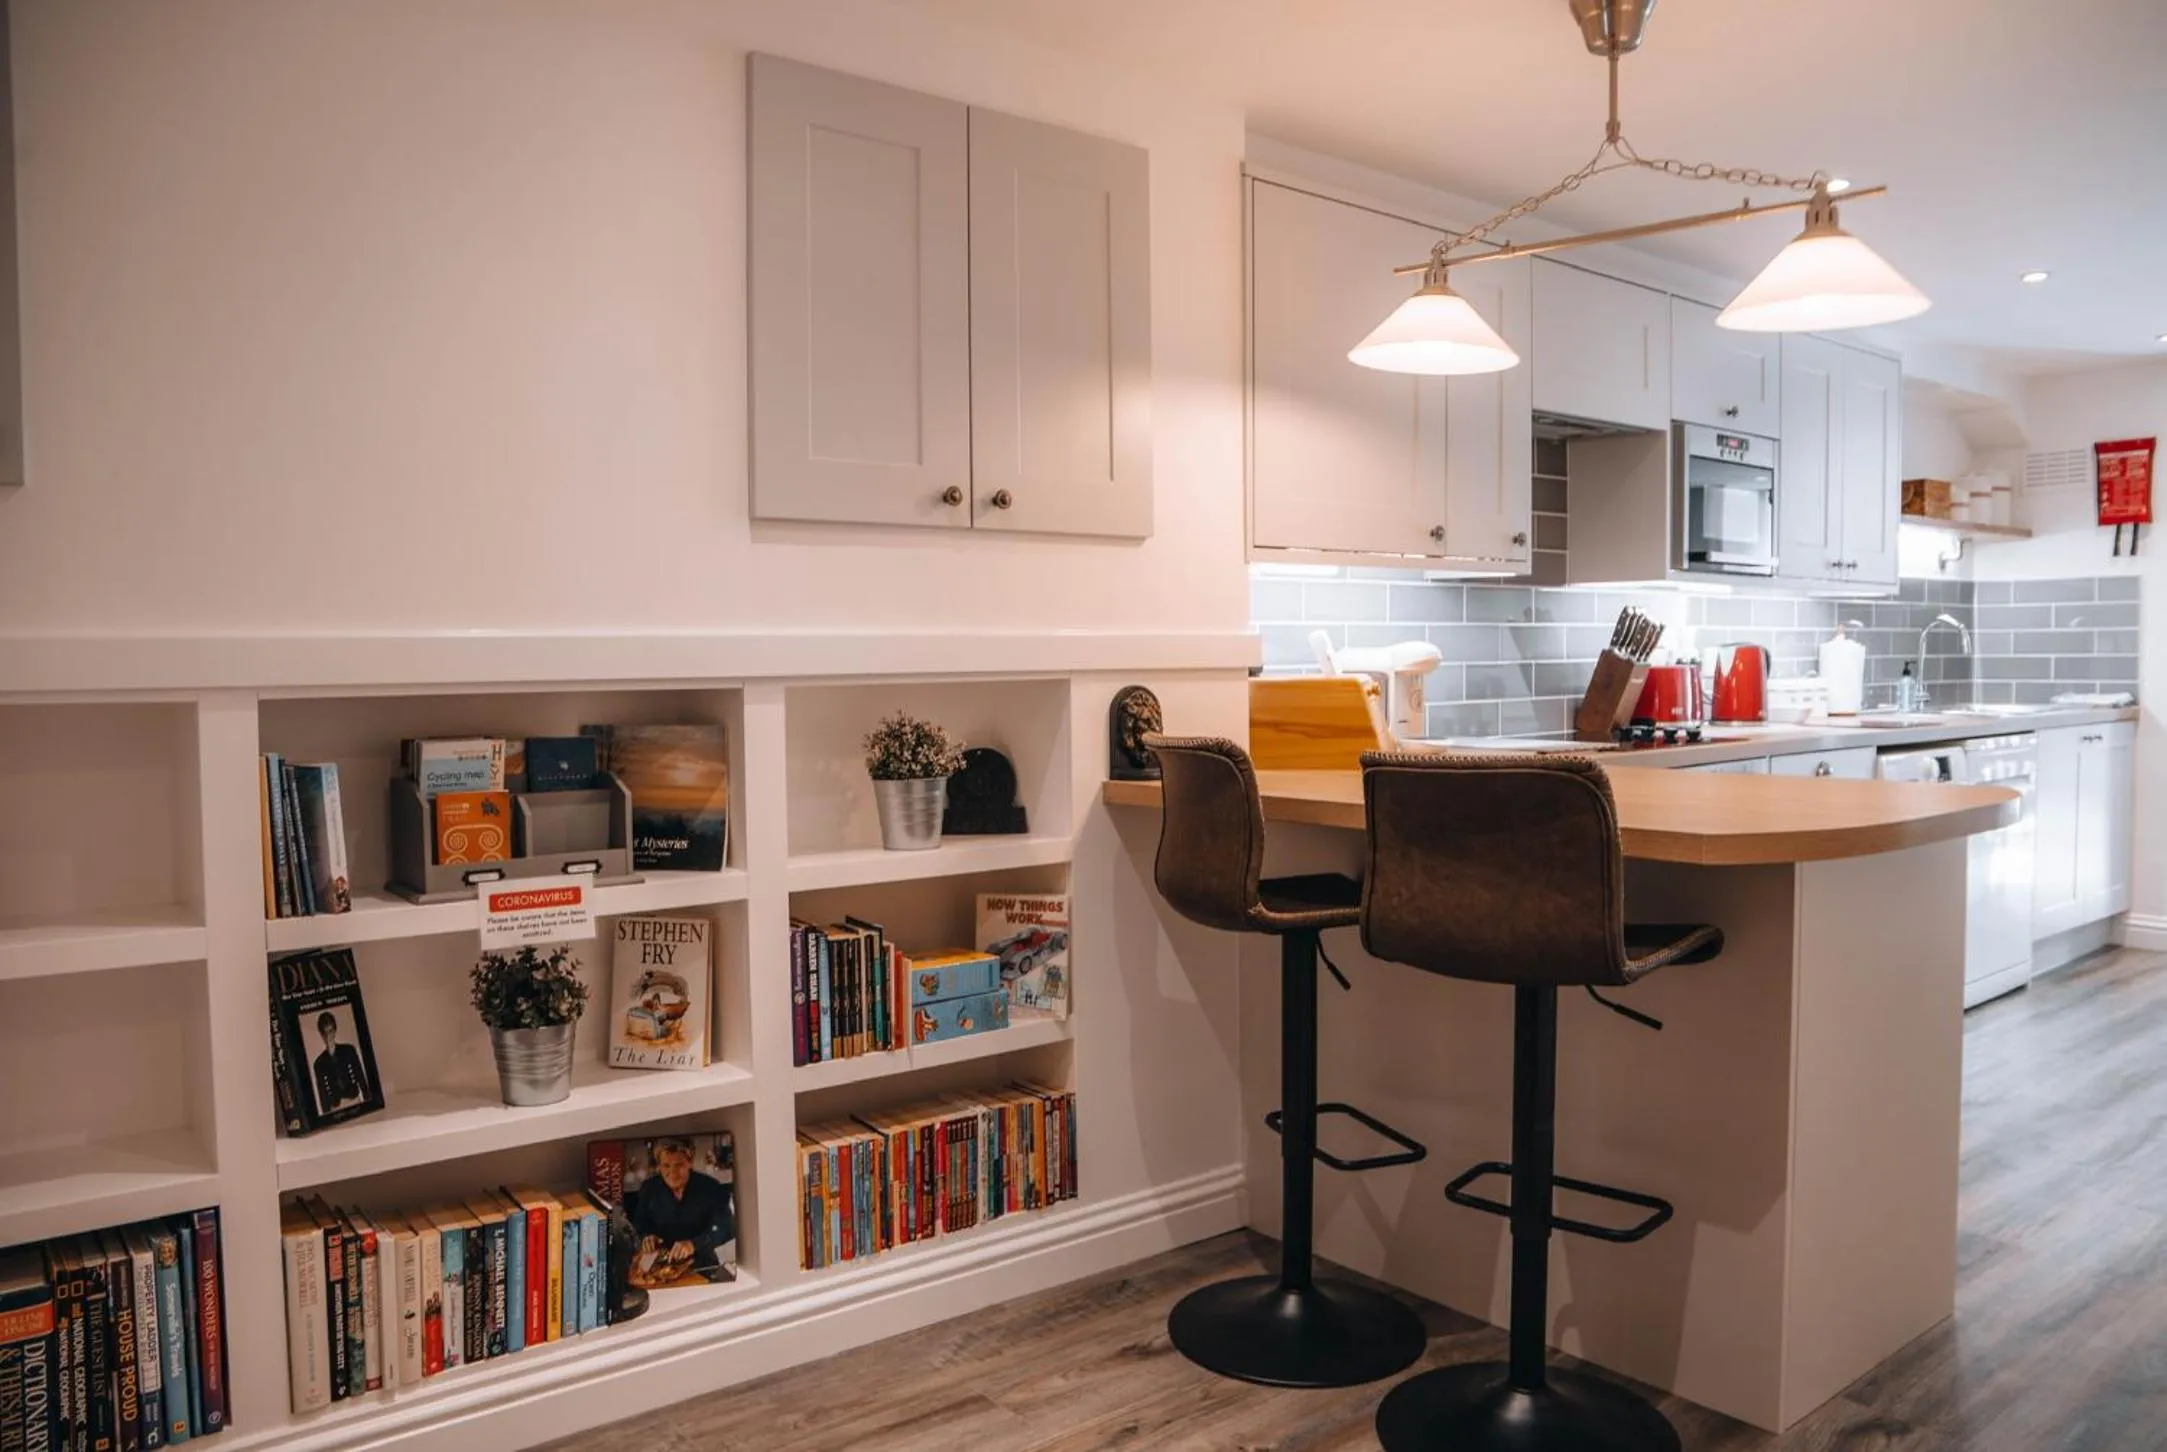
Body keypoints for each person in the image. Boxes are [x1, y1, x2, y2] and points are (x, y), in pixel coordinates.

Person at [627, 1137, 735, 1284]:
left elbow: (725, 1227)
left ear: (690, 1163)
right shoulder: (649, 1189)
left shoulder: (710, 1187)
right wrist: (646, 1237)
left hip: (702, 1265)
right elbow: (638, 1225)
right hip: (659, 1267)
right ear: (659, 1167)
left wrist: (693, 1244)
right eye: (666, 1165)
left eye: (679, 1165)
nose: (672, 1172)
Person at [312, 1011, 367, 1112]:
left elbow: (360, 1076)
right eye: (325, 1032)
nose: (328, 1036)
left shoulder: (349, 1050)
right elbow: (322, 1093)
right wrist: (327, 1116)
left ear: (335, 1030)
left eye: (330, 1031)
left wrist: (368, 1102)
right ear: (321, 1034)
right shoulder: (319, 1063)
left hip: (354, 1099)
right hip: (335, 1107)